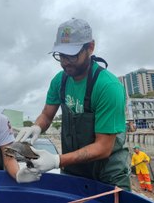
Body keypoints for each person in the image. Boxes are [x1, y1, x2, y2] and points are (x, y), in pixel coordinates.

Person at [16, 18, 130, 190]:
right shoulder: (59, 81)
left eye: (72, 55)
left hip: (108, 173)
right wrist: (36, 127)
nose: (65, 61)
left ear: (90, 47)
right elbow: (47, 115)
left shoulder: (108, 87)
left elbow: (103, 147)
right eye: (61, 55)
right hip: (74, 169)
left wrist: (56, 160)